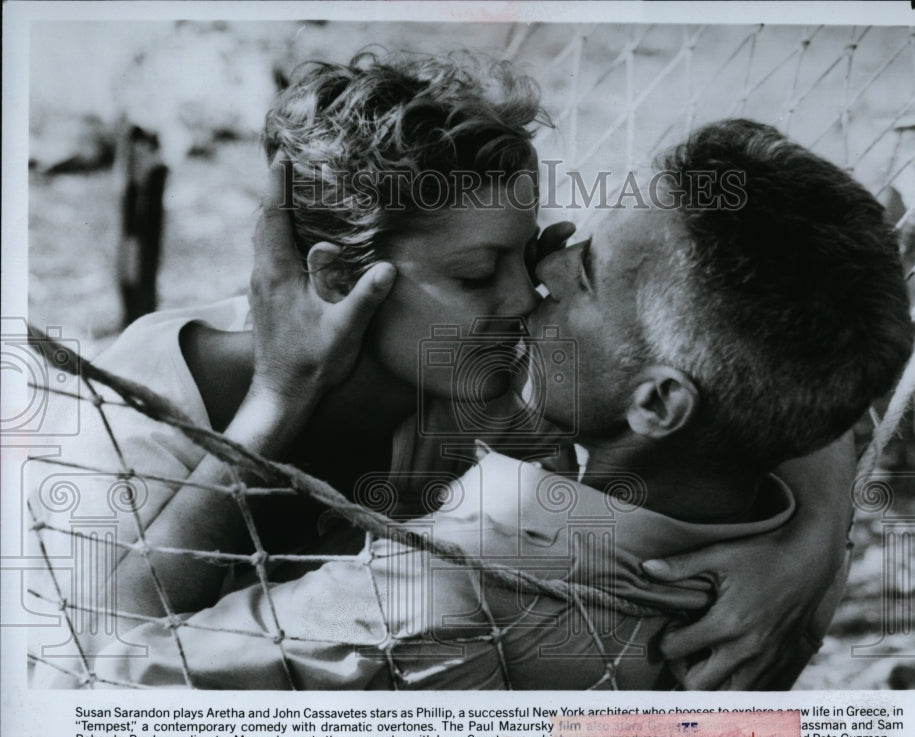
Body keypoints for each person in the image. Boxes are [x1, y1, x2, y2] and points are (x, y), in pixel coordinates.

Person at [27, 52, 855, 690]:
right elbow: (83, 683)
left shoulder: (486, 374)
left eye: (529, 254)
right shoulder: (130, 424)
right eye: (474, 274)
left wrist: (810, 541)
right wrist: (278, 402)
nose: (527, 293)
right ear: (339, 279)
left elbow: (762, 356)